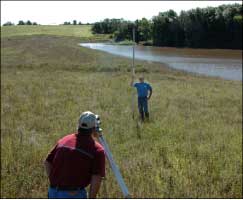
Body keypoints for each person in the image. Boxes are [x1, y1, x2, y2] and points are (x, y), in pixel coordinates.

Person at [44, 111, 106, 199]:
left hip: (53, 192)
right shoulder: (97, 150)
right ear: (94, 128)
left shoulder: (64, 140)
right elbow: (96, 177)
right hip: (73, 194)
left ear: (78, 125)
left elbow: (47, 162)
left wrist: (55, 183)